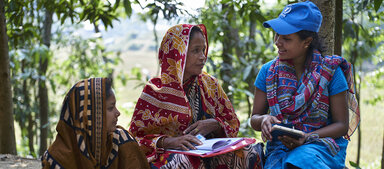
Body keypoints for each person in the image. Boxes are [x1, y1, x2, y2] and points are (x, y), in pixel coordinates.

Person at [129, 24, 262, 169]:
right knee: (185, 162)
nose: (203, 57)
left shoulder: (210, 84)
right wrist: (168, 142)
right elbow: (136, 139)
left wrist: (215, 124)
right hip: (170, 156)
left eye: (203, 50)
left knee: (247, 152)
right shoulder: (155, 90)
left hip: (208, 152)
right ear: (177, 54)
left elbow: (232, 123)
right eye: (195, 51)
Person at [250, 1, 360, 168]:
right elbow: (254, 119)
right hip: (279, 148)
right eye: (276, 35)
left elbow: (342, 125)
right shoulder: (268, 72)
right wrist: (264, 119)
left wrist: (307, 137)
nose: (277, 42)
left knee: (302, 160)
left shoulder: (330, 72)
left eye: (286, 38)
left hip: (319, 146)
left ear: (307, 41)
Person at [41, 78, 150, 169]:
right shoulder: (55, 159)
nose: (118, 113)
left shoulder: (123, 144)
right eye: (111, 108)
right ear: (89, 116)